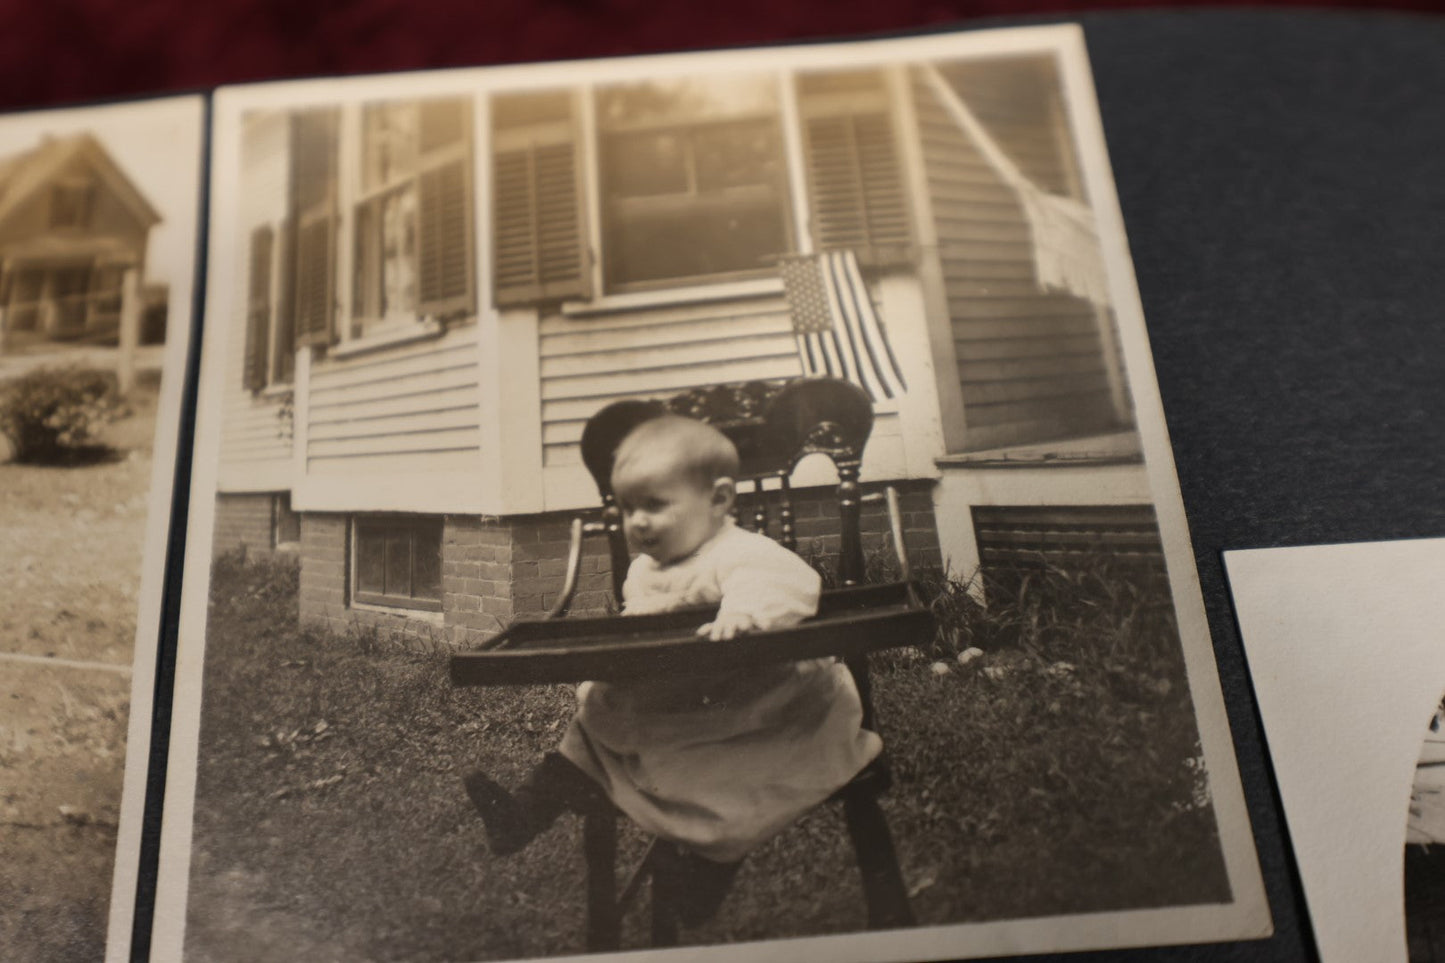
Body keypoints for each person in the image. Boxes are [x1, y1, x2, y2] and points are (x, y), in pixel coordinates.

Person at [465, 415, 881, 923]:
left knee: (724, 784)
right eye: (628, 507)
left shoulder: (742, 553)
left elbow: (783, 582)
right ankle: (526, 811)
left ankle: (705, 869)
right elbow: (640, 627)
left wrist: (745, 616)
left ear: (720, 500)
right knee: (594, 722)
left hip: (759, 704)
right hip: (681, 697)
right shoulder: (645, 570)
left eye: (655, 505)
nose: (637, 521)